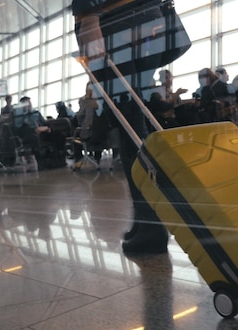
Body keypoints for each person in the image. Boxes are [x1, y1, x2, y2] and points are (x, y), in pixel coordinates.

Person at [72, 0, 169, 255]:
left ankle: (151, 225)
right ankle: (145, 219)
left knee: (130, 125)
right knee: (134, 119)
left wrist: (90, 18)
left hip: (114, 23)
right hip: (148, 18)